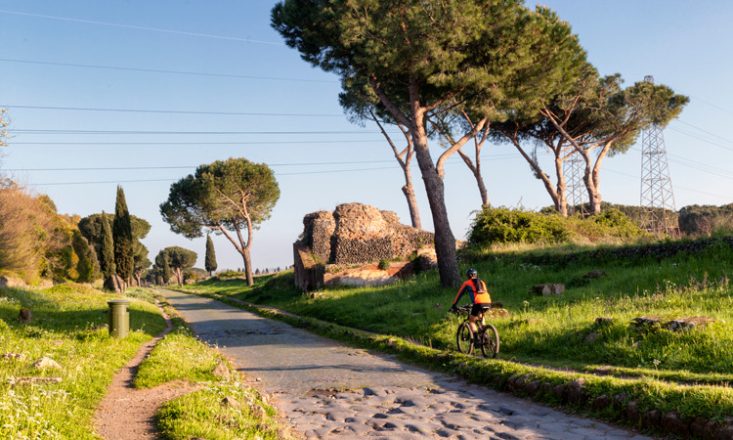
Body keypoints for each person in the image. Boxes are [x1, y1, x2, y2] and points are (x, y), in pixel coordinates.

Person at [450, 268, 492, 334]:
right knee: (480, 317)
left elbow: (459, 294)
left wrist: (453, 305)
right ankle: (485, 335)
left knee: (472, 321)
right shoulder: (482, 282)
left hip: (478, 303)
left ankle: (475, 338)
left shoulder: (467, 283)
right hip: (488, 302)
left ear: (468, 276)